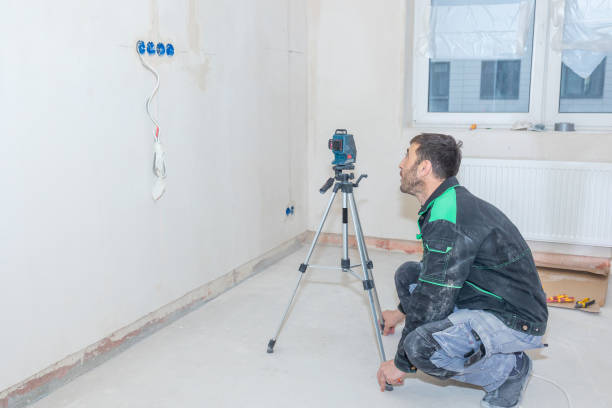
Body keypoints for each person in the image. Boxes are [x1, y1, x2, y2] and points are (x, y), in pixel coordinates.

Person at [376, 133, 548, 408]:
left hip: (514, 318)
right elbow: (434, 273)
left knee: (419, 348)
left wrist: (401, 364)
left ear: (424, 168)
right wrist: (399, 313)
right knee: (408, 274)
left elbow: (433, 298)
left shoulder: (448, 215)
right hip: (487, 295)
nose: (400, 164)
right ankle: (472, 343)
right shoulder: (447, 202)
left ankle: (508, 370)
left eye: (407, 155)